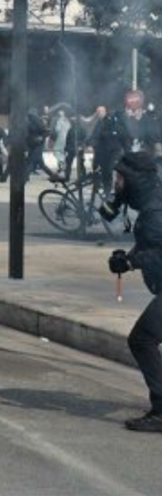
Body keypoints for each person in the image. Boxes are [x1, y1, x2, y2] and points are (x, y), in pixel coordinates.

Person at [105, 152, 162, 432]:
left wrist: (129, 262)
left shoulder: (154, 210)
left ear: (134, 180)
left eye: (120, 178)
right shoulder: (150, 202)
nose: (116, 183)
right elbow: (149, 243)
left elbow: (158, 250)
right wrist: (127, 258)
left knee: (142, 339)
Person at [90, 107, 129, 197]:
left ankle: (114, 190)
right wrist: (91, 144)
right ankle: (106, 190)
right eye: (98, 112)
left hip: (114, 151)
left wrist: (126, 149)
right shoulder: (99, 123)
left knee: (111, 169)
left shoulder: (114, 122)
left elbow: (124, 136)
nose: (99, 114)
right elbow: (95, 135)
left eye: (101, 112)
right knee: (104, 171)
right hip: (103, 152)